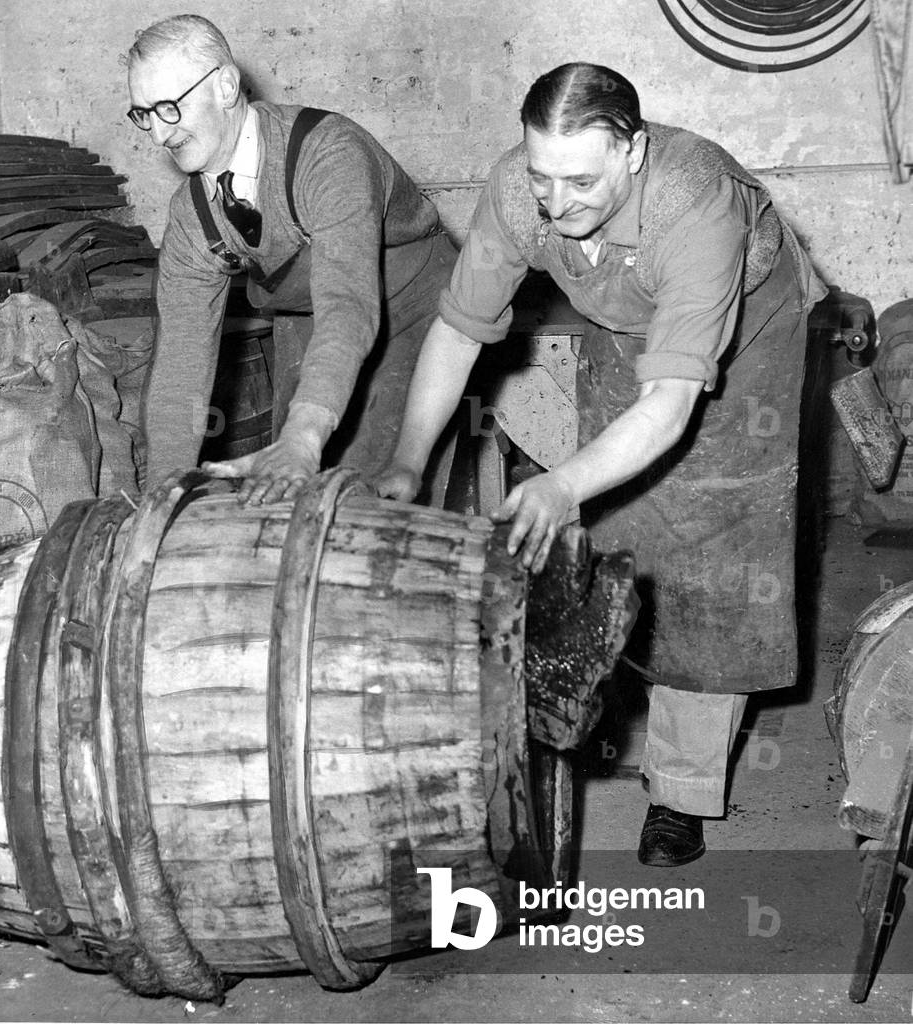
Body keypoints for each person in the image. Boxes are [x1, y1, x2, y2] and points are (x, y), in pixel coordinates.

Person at [377, 62, 826, 866]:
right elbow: (457, 329)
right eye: (543, 177)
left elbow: (671, 406)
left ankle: (680, 793)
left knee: (708, 548)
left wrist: (558, 482)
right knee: (610, 520)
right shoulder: (522, 188)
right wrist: (409, 459)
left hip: (748, 329)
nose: (556, 203)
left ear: (635, 152)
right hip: (625, 322)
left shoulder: (698, 206)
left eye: (581, 181)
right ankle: (595, 699)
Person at [127, 14, 456, 501]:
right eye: (143, 114)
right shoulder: (191, 217)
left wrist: (305, 435)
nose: (158, 134)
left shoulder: (329, 153)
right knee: (285, 488)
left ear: (224, 85)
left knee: (360, 496)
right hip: (307, 316)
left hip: (410, 306)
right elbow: (181, 359)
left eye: (170, 107)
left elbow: (348, 305)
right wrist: (163, 493)